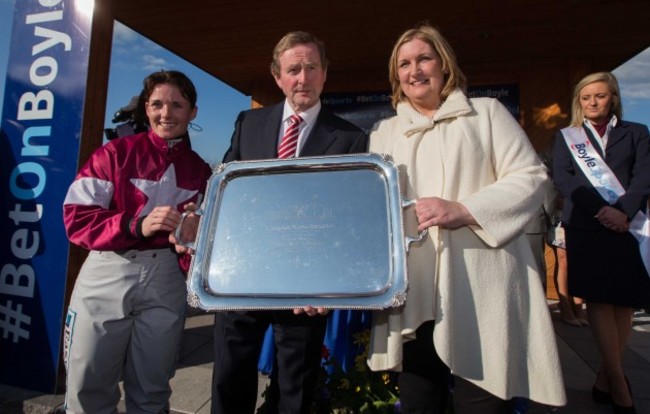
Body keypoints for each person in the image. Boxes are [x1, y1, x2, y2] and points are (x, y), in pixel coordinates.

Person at [366, 24, 566, 413]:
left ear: (444, 64)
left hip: (481, 284)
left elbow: (531, 177)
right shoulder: (383, 133)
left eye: (424, 58)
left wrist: (464, 210)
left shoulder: (487, 114)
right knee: (421, 399)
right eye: (404, 64)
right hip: (414, 288)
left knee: (482, 403)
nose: (414, 70)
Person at [209, 31, 368, 414]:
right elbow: (229, 193)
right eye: (293, 69)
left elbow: (350, 220)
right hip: (242, 283)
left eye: (311, 68)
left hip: (303, 291)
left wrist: (327, 286)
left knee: (295, 392)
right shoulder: (249, 123)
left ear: (325, 74)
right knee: (229, 380)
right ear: (278, 76)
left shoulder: (351, 138)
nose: (303, 78)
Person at [61, 70, 212, 413]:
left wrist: (192, 239)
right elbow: (76, 216)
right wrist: (135, 224)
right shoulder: (113, 153)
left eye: (177, 105)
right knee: (88, 388)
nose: (166, 113)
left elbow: (204, 243)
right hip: (108, 271)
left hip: (166, 280)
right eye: (157, 104)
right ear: (146, 109)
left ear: (193, 112)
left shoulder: (202, 171)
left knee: (152, 391)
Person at [552, 71, 650, 414]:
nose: (593, 103)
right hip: (587, 226)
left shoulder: (637, 133)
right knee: (598, 298)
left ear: (613, 98)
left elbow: (643, 176)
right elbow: (564, 179)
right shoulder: (567, 137)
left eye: (600, 96)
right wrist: (603, 211)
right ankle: (619, 383)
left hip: (628, 225)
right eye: (586, 97)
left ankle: (605, 377)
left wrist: (622, 211)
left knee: (623, 302)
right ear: (579, 102)